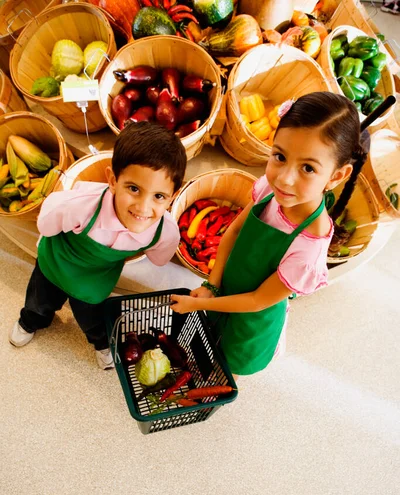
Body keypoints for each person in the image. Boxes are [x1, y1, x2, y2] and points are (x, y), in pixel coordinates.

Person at [170, 92, 368, 377]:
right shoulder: (270, 191)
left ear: (336, 176)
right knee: (209, 340)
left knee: (228, 366)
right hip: (223, 293)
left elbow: (257, 301)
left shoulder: (308, 249)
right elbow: (234, 230)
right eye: (280, 156)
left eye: (308, 168)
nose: (285, 178)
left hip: (251, 321)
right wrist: (212, 286)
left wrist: (201, 303)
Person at [9, 121, 187, 369]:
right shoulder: (81, 205)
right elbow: (47, 223)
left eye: (158, 196)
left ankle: (101, 343)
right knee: (39, 302)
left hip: (95, 282)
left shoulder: (164, 231)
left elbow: (160, 258)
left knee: (94, 319)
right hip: (55, 265)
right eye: (134, 189)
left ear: (173, 195)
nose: (143, 208)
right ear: (113, 181)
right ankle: (29, 322)